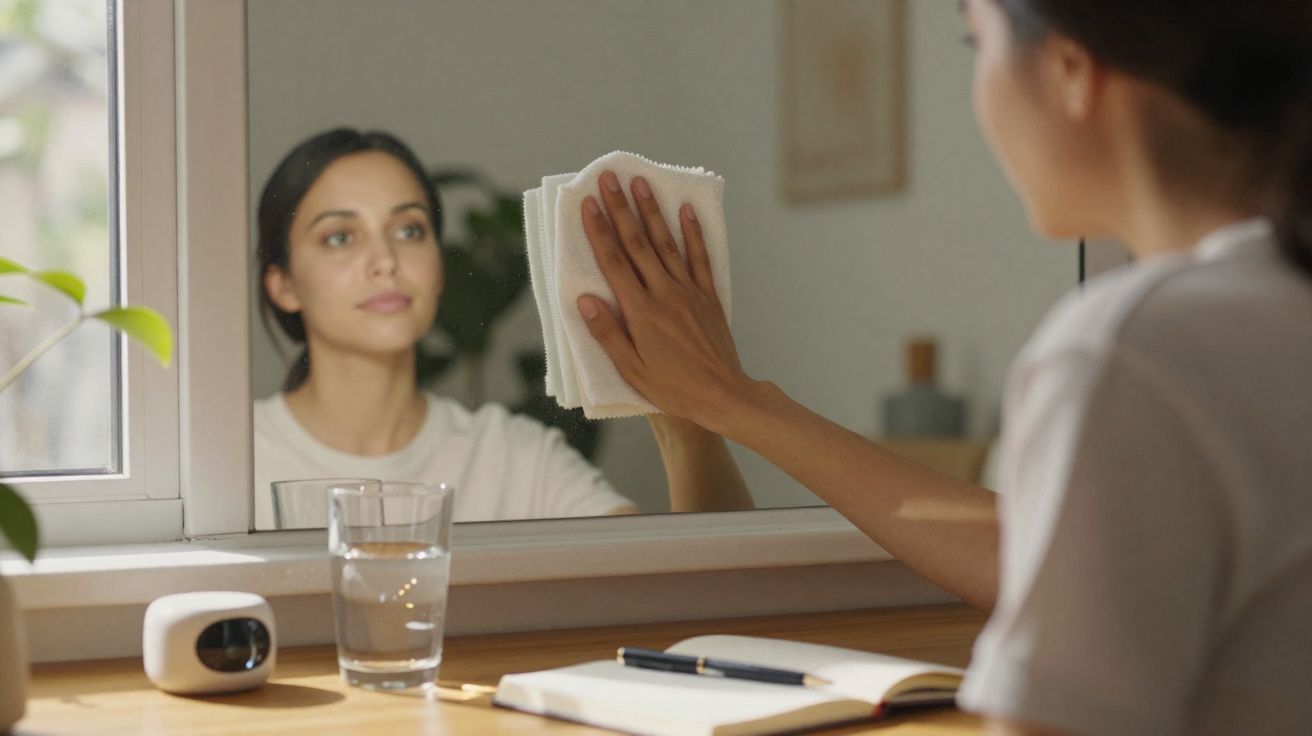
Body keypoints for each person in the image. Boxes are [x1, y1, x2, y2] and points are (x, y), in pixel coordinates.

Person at [572, 1, 1312, 735]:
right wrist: (734, 402)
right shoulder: (1261, 311)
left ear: (1071, 71)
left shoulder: (1130, 348)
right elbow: (1026, 550)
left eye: (975, 43)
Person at [253, 128, 752, 529]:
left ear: (438, 265)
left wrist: (689, 419)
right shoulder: (227, 464)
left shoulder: (518, 458)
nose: (386, 260)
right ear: (283, 285)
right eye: (340, 237)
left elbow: (690, 595)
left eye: (409, 231)